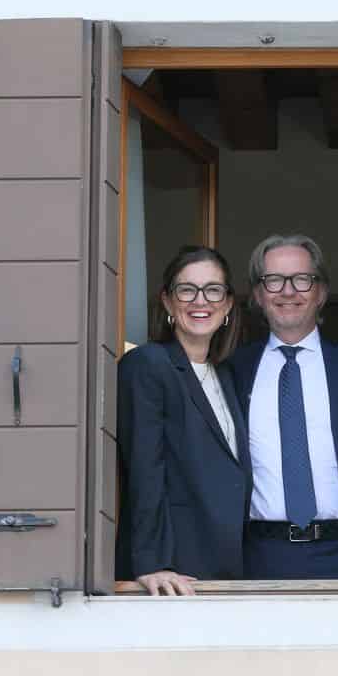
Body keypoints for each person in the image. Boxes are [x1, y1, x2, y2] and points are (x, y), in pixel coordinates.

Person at [229, 234, 338, 579]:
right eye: (274, 280)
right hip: (259, 557)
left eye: (302, 279)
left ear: (321, 292)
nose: (288, 291)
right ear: (258, 295)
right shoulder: (233, 371)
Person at [116, 245, 250, 596]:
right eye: (187, 290)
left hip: (226, 564)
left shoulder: (226, 375)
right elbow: (144, 468)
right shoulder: (147, 364)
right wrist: (152, 562)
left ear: (228, 304)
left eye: (213, 290)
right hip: (174, 572)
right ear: (167, 301)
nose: (200, 301)